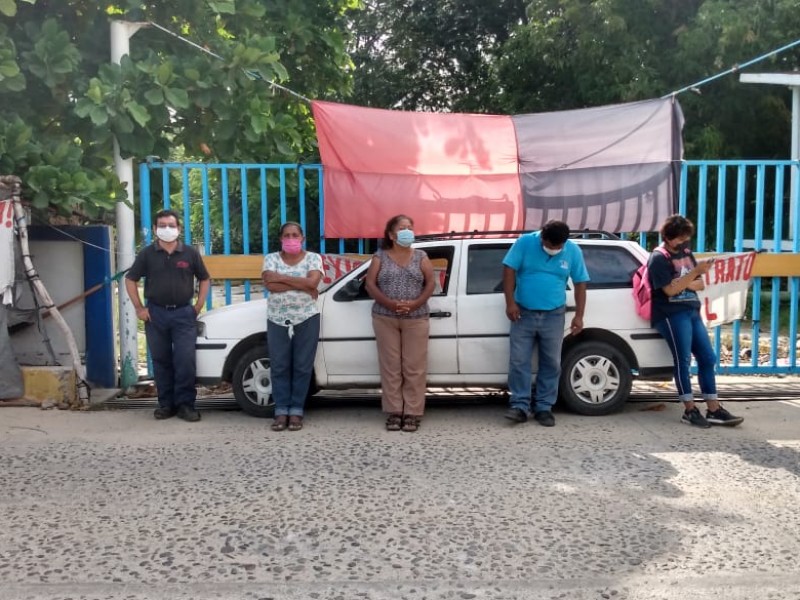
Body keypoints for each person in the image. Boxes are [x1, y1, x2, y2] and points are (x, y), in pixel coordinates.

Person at [648, 214, 744, 428]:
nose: (684, 242)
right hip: (670, 313)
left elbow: (699, 285)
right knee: (682, 360)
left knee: (708, 358)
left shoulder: (687, 254)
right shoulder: (658, 257)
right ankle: (689, 410)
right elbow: (669, 289)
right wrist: (693, 275)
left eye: (686, 238)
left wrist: (686, 281)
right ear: (669, 237)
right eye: (681, 238)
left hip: (691, 310)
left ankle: (714, 408)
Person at [125, 209, 210, 422]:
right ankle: (166, 404)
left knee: (184, 360)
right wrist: (139, 308)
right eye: (162, 225)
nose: (167, 229)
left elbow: (204, 278)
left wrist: (198, 305)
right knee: (161, 361)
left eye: (171, 225)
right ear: (154, 229)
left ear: (179, 229)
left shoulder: (190, 253)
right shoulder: (146, 254)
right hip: (156, 315)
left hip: (183, 314)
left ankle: (186, 405)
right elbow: (130, 280)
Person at [502, 220, 589, 427]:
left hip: (554, 314)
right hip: (523, 313)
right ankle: (519, 406)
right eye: (550, 245)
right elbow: (508, 270)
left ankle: (544, 407)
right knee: (518, 361)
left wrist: (579, 315)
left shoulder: (573, 251)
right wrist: (510, 303)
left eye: (557, 247)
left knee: (551, 362)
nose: (553, 250)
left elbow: (580, 283)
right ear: (542, 237)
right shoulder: (525, 243)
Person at [365, 214, 435, 432]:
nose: (408, 231)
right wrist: (390, 304)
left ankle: (412, 412)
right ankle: (395, 411)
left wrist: (415, 304)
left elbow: (431, 283)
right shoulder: (380, 257)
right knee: (391, 367)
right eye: (403, 227)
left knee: (414, 367)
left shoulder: (421, 256)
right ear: (392, 234)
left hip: (416, 317)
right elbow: (370, 284)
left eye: (410, 227)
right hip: (385, 317)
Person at [261, 222, 323, 432]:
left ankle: (296, 411)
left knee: (302, 366)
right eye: (286, 235)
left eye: (295, 235)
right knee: (279, 365)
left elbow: (312, 284)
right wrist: (301, 282)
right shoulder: (271, 259)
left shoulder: (314, 258)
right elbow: (270, 285)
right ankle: (280, 411)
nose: (291, 238)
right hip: (277, 318)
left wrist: (282, 278)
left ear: (302, 238)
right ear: (281, 239)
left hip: (307, 317)